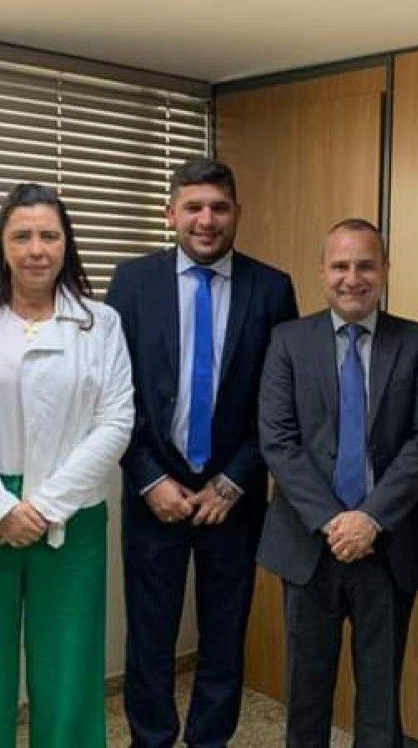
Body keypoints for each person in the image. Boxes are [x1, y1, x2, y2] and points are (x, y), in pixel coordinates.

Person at [0, 182, 134, 747]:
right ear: (2, 245)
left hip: (72, 517)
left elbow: (116, 421)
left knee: (69, 675)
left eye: (48, 236)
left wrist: (44, 505)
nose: (36, 249)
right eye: (22, 236)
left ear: (66, 245)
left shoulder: (101, 323)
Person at [106, 157, 298, 748]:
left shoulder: (272, 288)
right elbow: (113, 392)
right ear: (171, 213)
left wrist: (234, 480)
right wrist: (148, 479)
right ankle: (151, 740)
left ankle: (210, 740)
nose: (206, 220)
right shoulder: (132, 282)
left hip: (233, 499)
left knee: (224, 636)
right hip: (152, 492)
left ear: (237, 212)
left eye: (218, 207)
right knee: (150, 636)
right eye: (193, 207)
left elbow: (279, 400)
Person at [258, 219, 418, 747]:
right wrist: (333, 521)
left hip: (389, 544)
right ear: (322, 272)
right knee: (306, 692)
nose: (352, 278)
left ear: (385, 270)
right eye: (340, 266)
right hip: (308, 544)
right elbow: (278, 440)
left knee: (381, 695)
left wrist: (370, 519)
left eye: (365, 265)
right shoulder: (288, 341)